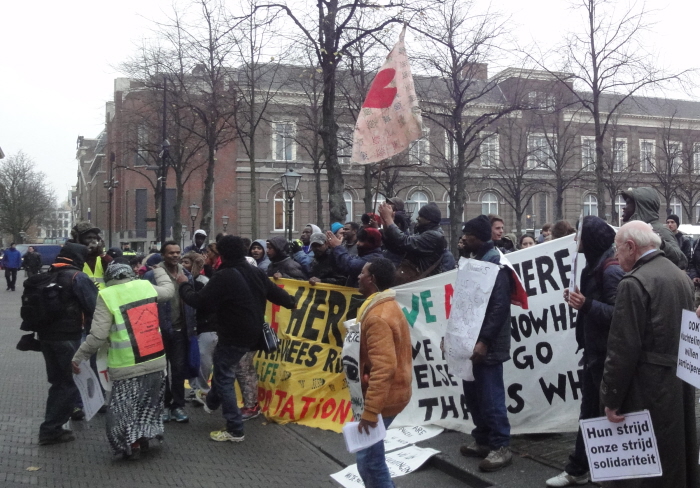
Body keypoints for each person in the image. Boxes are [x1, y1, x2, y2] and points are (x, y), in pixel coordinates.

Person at [601, 221, 697, 487]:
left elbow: (622, 348)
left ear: (631, 247)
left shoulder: (633, 283)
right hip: (679, 382)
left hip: (646, 385)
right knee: (674, 455)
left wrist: (611, 398)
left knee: (645, 464)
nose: (616, 257)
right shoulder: (681, 277)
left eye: (618, 250)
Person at [178, 236, 296, 442]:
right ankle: (212, 402)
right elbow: (282, 298)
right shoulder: (257, 272)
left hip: (232, 334)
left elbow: (199, 301)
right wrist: (292, 301)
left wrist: (184, 285)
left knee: (224, 376)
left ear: (222, 255)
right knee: (223, 368)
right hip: (253, 334)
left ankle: (234, 428)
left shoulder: (223, 276)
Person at [546, 216, 624, 487]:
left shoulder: (610, 271)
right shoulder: (594, 266)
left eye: (579, 235)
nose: (575, 240)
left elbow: (620, 315)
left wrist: (586, 304)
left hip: (604, 356)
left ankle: (583, 468)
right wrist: (583, 303)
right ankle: (588, 467)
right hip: (594, 353)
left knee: (593, 413)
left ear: (589, 240)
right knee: (591, 413)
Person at [71, 262, 174, 459]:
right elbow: (169, 291)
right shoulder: (145, 286)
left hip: (126, 364)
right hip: (155, 358)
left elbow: (98, 336)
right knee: (149, 403)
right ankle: (144, 436)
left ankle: (130, 444)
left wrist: (78, 357)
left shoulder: (107, 295)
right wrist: (159, 270)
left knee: (123, 408)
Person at [458, 215, 514, 472]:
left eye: (467, 235)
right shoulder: (478, 260)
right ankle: (483, 440)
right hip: (472, 338)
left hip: (486, 342)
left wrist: (485, 341)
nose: (463, 238)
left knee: (491, 396)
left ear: (477, 237)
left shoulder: (497, 264)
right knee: (474, 393)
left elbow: (499, 306)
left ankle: (501, 446)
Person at [354, 258, 412, 487]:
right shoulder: (384, 306)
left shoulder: (377, 317)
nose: (358, 276)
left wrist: (370, 411)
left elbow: (384, 368)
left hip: (382, 400)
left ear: (372, 279)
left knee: (369, 462)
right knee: (372, 458)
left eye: (362, 272)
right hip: (390, 395)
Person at [35, 243, 98, 445]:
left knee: (58, 382)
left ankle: (51, 425)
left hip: (46, 337)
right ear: (78, 258)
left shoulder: (48, 274)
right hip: (68, 337)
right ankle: (51, 430)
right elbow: (94, 307)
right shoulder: (77, 277)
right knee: (69, 383)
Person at [144, 242, 196, 424]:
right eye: (171, 253)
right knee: (161, 370)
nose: (175, 255)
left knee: (179, 369)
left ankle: (178, 406)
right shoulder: (152, 276)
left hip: (181, 329)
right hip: (158, 330)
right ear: (163, 255)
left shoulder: (187, 275)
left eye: (177, 252)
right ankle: (164, 405)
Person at [181, 252, 217, 403]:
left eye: (187, 263)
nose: (183, 266)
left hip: (206, 326)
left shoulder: (203, 282)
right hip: (191, 327)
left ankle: (203, 390)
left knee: (203, 359)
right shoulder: (183, 281)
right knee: (192, 359)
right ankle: (196, 388)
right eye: (182, 262)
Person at [620, 187, 687, 269]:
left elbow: (681, 260)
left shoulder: (660, 230)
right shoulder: (632, 231)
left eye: (628, 203)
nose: (624, 208)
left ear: (641, 206)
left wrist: (660, 243)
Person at [379, 202, 446, 281]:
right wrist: (386, 225)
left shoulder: (434, 236)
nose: (417, 218)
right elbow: (398, 248)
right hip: (419, 281)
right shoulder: (423, 233)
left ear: (429, 219)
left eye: (420, 216)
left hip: (423, 285)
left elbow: (404, 241)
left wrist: (389, 219)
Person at [70, 222, 113, 290]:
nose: (93, 241)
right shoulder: (72, 258)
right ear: (78, 240)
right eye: (89, 238)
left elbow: (113, 271)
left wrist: (102, 253)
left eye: (95, 238)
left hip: (103, 298)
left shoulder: (102, 257)